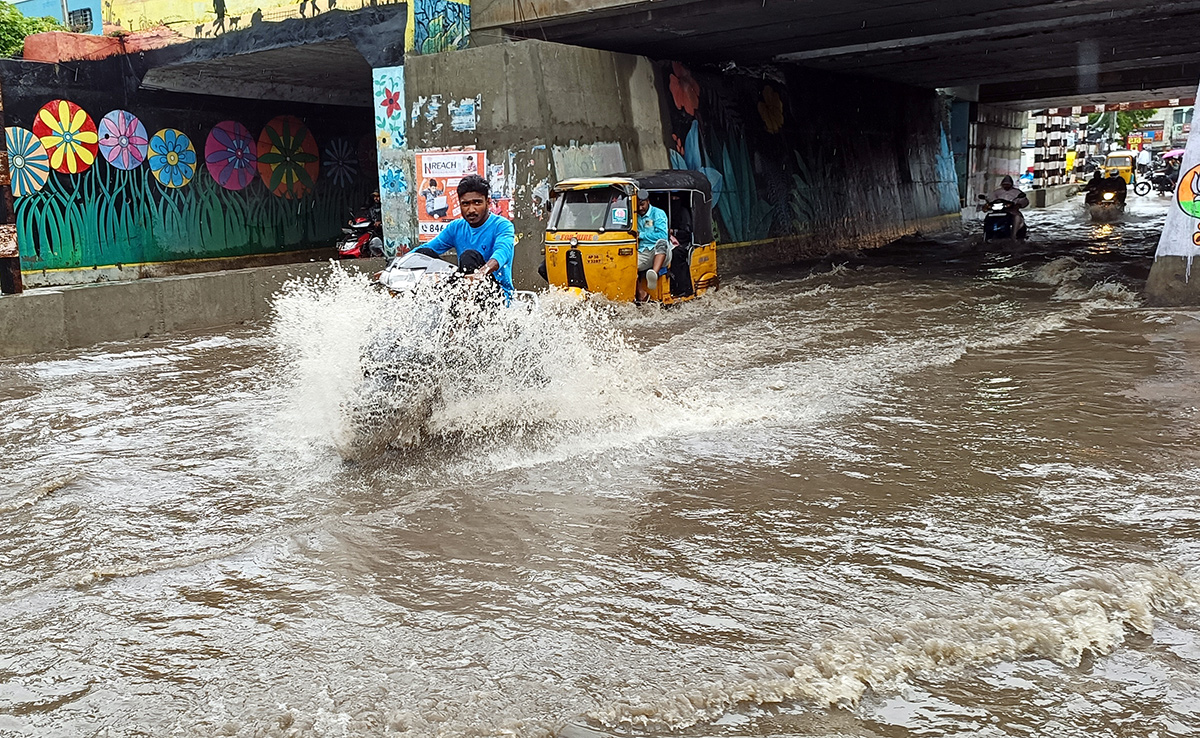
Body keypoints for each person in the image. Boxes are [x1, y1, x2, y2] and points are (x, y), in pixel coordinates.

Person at [415, 174, 515, 299]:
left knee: (469, 257)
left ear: (488, 202)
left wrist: (481, 273)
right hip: (464, 288)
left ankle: (468, 314)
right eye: (466, 204)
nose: (471, 210)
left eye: (477, 203)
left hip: (497, 295)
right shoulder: (456, 227)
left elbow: (502, 252)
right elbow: (427, 249)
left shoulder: (502, 225)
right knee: (423, 253)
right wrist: (392, 269)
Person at [635, 189, 671, 302]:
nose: (640, 208)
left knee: (661, 242)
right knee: (627, 267)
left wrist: (641, 235)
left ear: (648, 201)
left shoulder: (658, 214)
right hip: (641, 252)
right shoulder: (633, 216)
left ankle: (653, 274)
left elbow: (662, 235)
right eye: (637, 206)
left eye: (642, 204)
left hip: (660, 252)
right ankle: (642, 294)